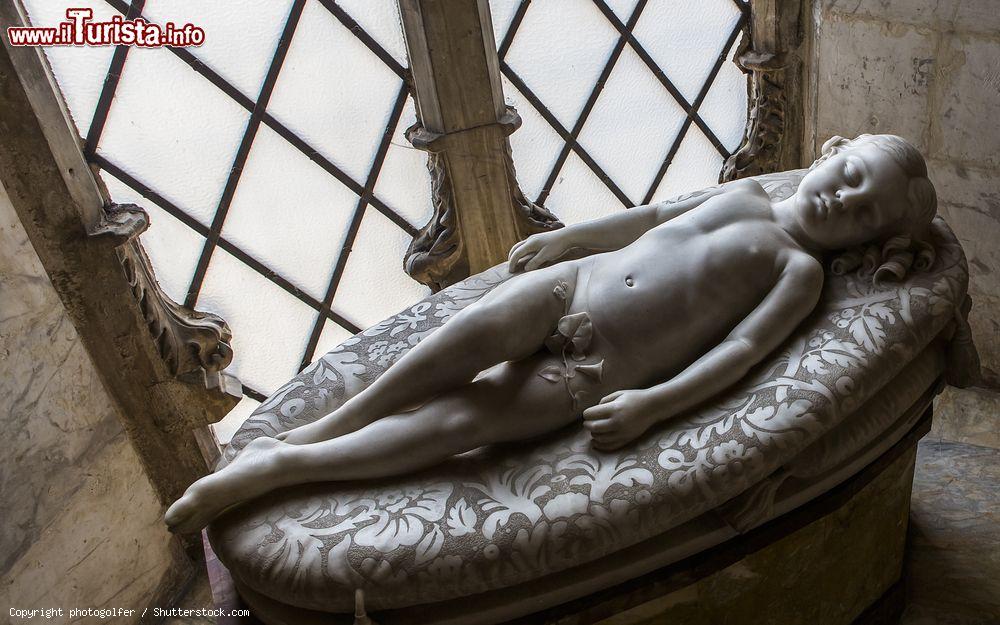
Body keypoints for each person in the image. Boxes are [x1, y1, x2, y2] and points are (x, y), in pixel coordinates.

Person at [165, 134, 937, 533]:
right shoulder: (747, 191)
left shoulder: (800, 273)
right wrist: (571, 241)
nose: (843, 199)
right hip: (571, 289)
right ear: (831, 152)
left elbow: (739, 354)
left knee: (464, 422)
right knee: (456, 343)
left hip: (598, 371)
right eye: (849, 176)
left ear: (865, 244)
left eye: (865, 213)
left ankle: (277, 472)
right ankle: (318, 430)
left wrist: (654, 407)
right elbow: (656, 218)